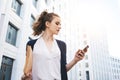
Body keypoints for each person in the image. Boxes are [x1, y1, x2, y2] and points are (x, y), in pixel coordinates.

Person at [23, 10, 89, 80]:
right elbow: (27, 71)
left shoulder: (62, 45)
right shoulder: (31, 44)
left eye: (60, 24)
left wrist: (75, 60)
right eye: (57, 23)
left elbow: (63, 70)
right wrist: (25, 76)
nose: (60, 27)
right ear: (47, 24)